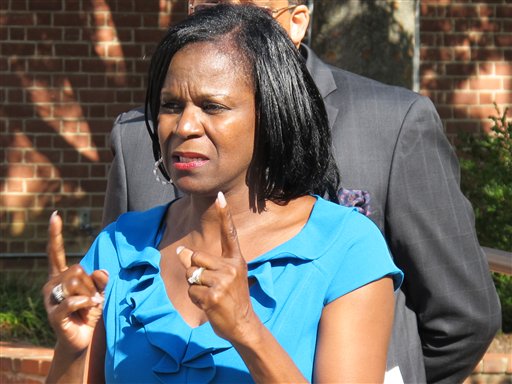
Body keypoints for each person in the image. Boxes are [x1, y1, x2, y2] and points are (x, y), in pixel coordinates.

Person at [101, 1, 502, 383]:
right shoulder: (136, 146)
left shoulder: (393, 123)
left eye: (249, 9)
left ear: (296, 21)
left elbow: (462, 315)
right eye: (211, 7)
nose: (186, 126)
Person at [43, 5, 404, 383]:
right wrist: (73, 348)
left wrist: (247, 330)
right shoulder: (120, 248)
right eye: (171, 105)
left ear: (270, 114)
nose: (184, 126)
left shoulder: (345, 248)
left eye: (212, 107)